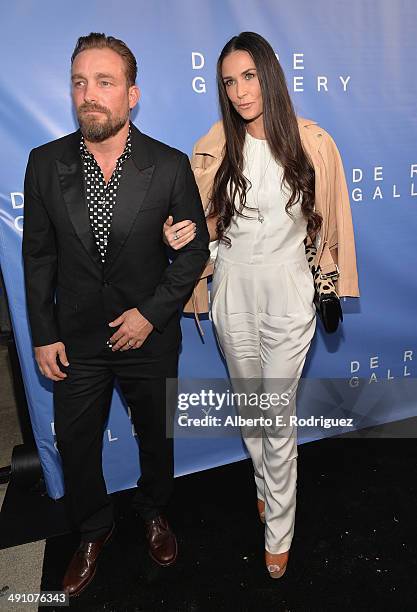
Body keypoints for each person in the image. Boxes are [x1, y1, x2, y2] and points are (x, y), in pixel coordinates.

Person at [164, 32, 359, 579]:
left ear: (269, 75)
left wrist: (328, 283)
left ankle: (280, 527)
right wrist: (178, 234)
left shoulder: (312, 143)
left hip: (289, 292)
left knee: (276, 417)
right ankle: (264, 487)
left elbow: (331, 224)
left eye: (249, 76)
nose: (240, 91)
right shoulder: (213, 145)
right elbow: (197, 225)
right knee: (253, 412)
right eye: (229, 81)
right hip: (232, 291)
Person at [22, 33, 209, 597]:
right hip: (75, 341)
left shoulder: (170, 165)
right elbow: (39, 256)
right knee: (77, 446)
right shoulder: (44, 163)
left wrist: (149, 315)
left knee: (156, 438)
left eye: (104, 82)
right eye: (80, 82)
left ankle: (154, 512)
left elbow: (195, 251)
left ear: (133, 94)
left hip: (148, 338)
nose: (89, 94)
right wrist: (44, 333)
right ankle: (93, 529)